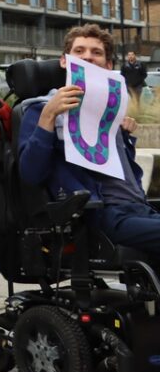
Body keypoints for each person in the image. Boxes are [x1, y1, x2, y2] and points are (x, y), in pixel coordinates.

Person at [19, 24, 160, 266]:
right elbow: (30, 174)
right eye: (79, 51)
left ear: (108, 65)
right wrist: (48, 117)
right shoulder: (41, 108)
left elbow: (122, 176)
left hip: (138, 207)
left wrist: (125, 137)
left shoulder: (112, 110)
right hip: (102, 214)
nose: (87, 57)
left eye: (96, 52)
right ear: (65, 61)